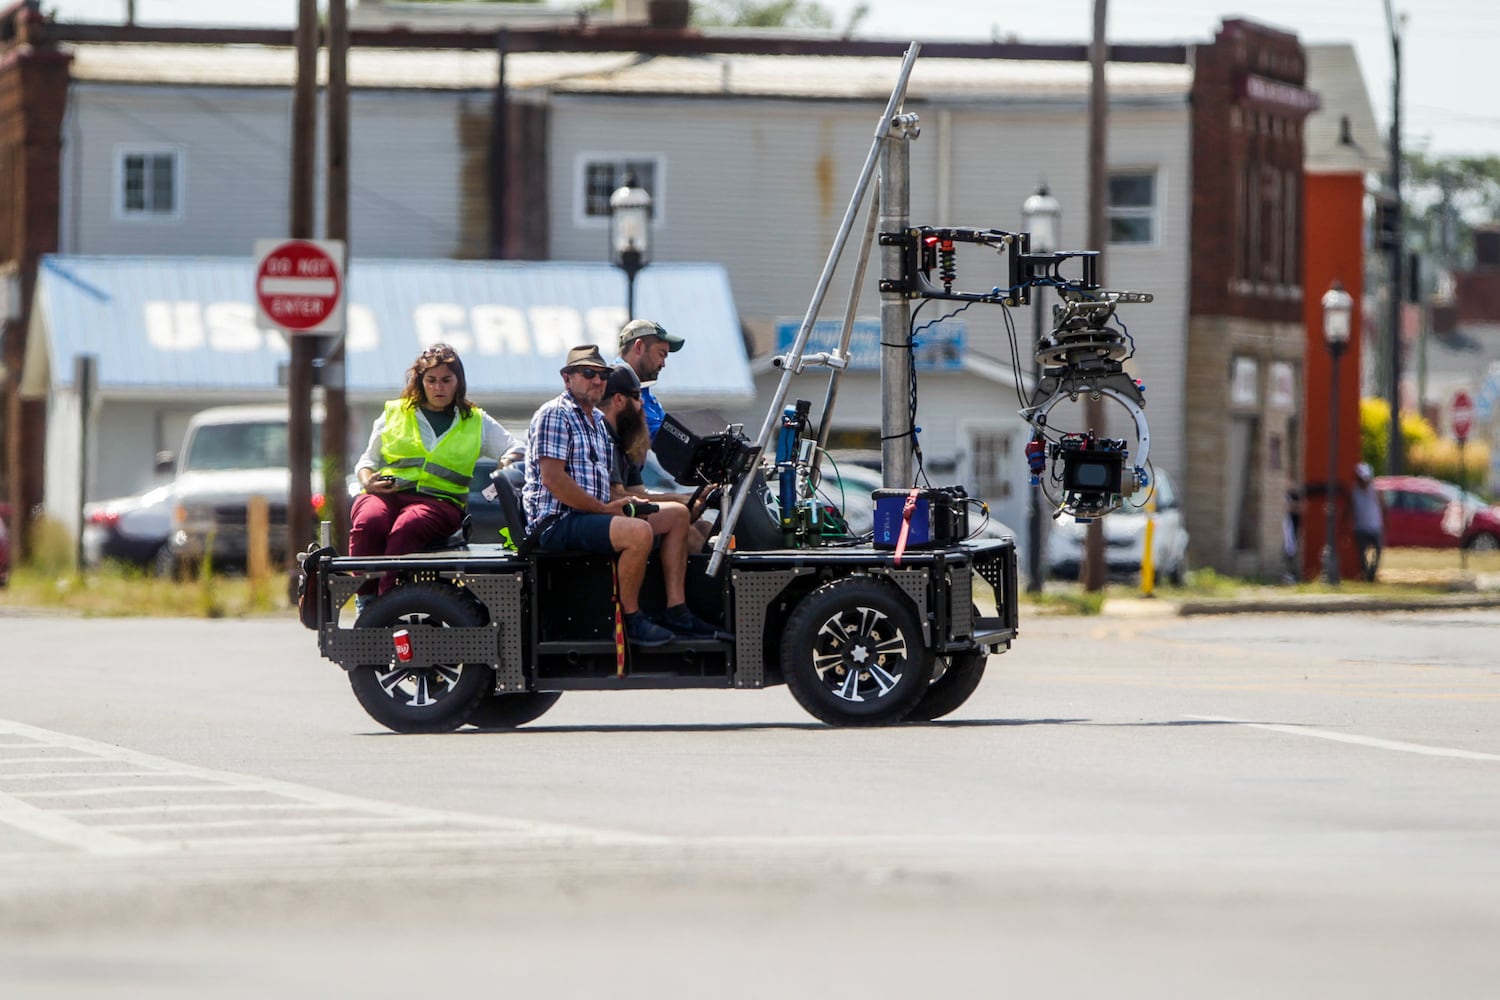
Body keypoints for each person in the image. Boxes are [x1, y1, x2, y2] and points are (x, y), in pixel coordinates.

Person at [522, 345, 720, 647]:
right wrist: (605, 509)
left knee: (678, 516)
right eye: (588, 373)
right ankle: (631, 619)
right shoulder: (554, 414)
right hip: (557, 520)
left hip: (592, 513)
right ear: (567, 378)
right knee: (638, 532)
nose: (597, 380)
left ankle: (676, 610)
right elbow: (554, 480)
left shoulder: (597, 423)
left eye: (601, 375)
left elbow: (610, 486)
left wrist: (626, 503)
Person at [351, 343, 519, 598]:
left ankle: (386, 602)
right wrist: (368, 481)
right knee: (369, 521)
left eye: (446, 380)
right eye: (431, 380)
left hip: (440, 504)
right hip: (387, 494)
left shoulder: (476, 421)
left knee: (406, 527)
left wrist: (506, 462)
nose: (438, 387)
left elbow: (517, 448)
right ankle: (365, 597)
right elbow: (367, 460)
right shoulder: (395, 413)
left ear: (458, 382)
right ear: (420, 382)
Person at [599, 363, 715, 552]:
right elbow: (617, 495)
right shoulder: (603, 437)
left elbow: (638, 492)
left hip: (627, 511)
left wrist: (690, 497)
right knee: (686, 527)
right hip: (609, 517)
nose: (642, 403)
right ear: (619, 399)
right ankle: (683, 583)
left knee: (704, 527)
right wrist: (678, 500)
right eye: (637, 396)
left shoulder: (625, 440)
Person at [614, 318, 683, 440]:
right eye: (661, 354)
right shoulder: (612, 387)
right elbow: (660, 439)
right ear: (639, 347)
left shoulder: (645, 393)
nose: (663, 364)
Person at [1350, 462, 1384, 582]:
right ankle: (1366, 575)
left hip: (1375, 527)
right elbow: (1349, 509)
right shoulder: (1354, 491)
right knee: (1362, 554)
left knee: (1378, 551)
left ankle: (1372, 573)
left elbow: (1383, 507)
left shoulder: (1376, 491)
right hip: (1360, 528)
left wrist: (1386, 523)